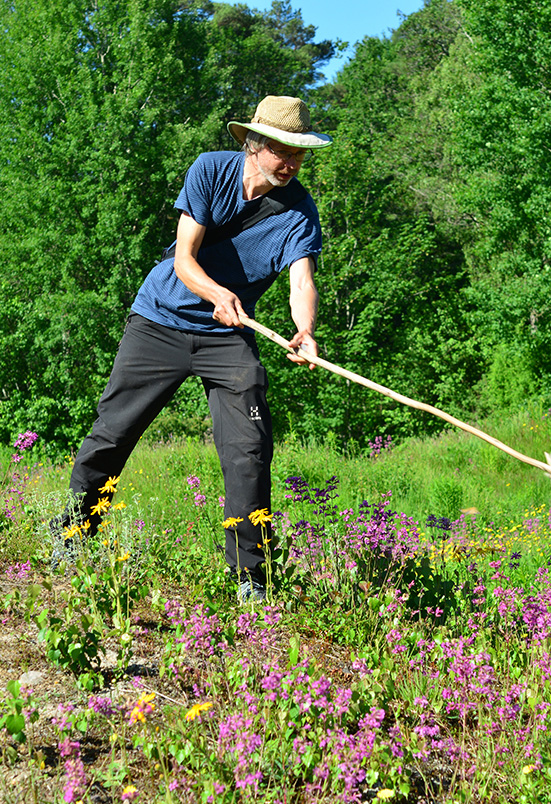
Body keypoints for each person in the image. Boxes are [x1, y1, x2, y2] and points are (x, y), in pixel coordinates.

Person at [56, 95, 331, 602]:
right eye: (282, 150)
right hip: (159, 321)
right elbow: (184, 259)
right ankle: (72, 536)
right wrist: (216, 292)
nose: (291, 162)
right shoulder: (210, 171)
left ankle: (252, 578)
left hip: (228, 337)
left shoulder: (300, 211)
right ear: (255, 144)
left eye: (299, 153)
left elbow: (301, 282)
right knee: (113, 433)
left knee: (249, 450)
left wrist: (305, 330)